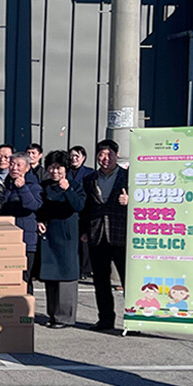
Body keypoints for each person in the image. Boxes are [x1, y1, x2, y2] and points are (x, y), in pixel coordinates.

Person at [80, 139, 129, 332]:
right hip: (97, 234)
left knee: (128, 280)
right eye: (101, 155)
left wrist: (130, 200)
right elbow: (85, 208)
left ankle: (132, 320)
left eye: (109, 155)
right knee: (101, 281)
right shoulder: (90, 179)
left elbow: (145, 202)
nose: (105, 158)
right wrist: (84, 230)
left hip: (121, 234)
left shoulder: (129, 177)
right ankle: (105, 319)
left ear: (117, 155)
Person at [36, 150, 86, 329]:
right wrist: (39, 221)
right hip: (49, 235)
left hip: (66, 236)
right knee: (50, 276)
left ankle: (65, 317)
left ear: (66, 168)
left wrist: (68, 190)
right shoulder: (44, 186)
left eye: (59, 168)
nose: (54, 171)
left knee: (66, 276)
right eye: (51, 167)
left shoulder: (75, 185)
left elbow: (79, 205)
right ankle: (53, 314)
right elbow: (39, 208)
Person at [2, 152, 44, 294]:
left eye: (18, 165)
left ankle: (27, 307)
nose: (14, 168)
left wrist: (22, 188)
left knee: (24, 279)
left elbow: (34, 205)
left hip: (26, 239)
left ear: (27, 167)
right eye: (12, 164)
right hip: (8, 238)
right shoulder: (6, 184)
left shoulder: (33, 185)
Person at [67, 144, 93, 279]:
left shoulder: (89, 173)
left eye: (77, 156)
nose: (74, 158)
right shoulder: (66, 172)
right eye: (71, 156)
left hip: (84, 211)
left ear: (83, 157)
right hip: (69, 211)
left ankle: (85, 269)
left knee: (84, 241)